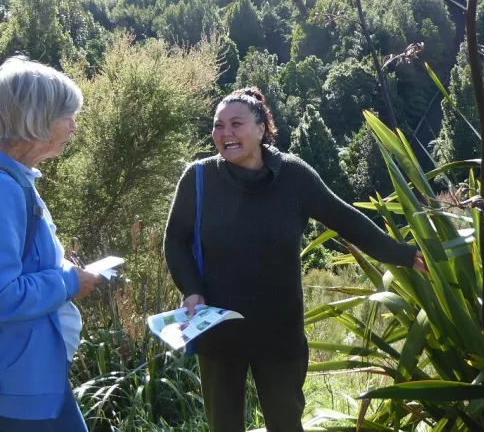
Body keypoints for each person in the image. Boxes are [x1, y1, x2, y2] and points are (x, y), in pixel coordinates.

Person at [163, 87, 425, 432]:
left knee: (286, 423)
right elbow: (175, 241)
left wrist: (408, 255)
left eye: (236, 124)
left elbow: (347, 221)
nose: (225, 134)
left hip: (279, 334)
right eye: (218, 125)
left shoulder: (294, 177)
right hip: (218, 333)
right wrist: (192, 290)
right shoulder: (198, 178)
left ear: (261, 128)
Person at [0, 57, 101, 431]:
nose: (73, 127)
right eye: (67, 116)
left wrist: (59, 268)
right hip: (20, 385)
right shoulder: (5, 188)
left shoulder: (16, 179)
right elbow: (2, 294)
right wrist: (69, 283)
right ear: (36, 119)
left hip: (32, 376)